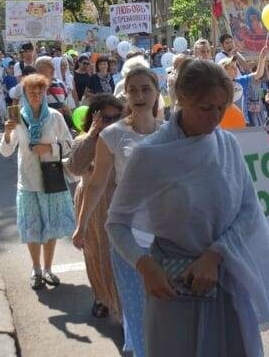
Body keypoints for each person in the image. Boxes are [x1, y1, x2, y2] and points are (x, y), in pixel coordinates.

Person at [106, 59, 269, 357]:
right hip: (172, 287)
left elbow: (249, 210)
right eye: (205, 107)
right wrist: (144, 266)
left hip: (224, 280)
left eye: (221, 107)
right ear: (181, 99)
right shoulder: (150, 155)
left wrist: (215, 255)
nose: (215, 117)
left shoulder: (228, 145)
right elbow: (117, 222)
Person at [73, 67, 162, 357]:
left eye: (145, 89)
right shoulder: (112, 135)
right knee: (135, 312)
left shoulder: (171, 132)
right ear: (126, 94)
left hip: (166, 236)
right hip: (127, 237)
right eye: (133, 89)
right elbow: (96, 184)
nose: (139, 95)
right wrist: (82, 225)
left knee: (165, 310)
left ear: (156, 92)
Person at [0, 74, 76, 289]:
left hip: (51, 178)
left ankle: (48, 269)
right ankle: (36, 269)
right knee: (32, 227)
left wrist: (49, 148)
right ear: (24, 94)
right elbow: (6, 151)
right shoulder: (18, 118)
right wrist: (7, 134)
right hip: (27, 181)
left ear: (44, 93)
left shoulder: (54, 117)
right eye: (31, 92)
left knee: (50, 226)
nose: (36, 96)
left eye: (40, 92)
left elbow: (69, 144)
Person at [65, 94, 125, 320]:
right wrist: (92, 135)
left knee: (115, 256)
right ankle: (101, 297)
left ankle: (120, 304)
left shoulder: (125, 137)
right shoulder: (84, 140)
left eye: (116, 117)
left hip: (117, 201)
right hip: (91, 204)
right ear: (95, 117)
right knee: (94, 254)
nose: (111, 123)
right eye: (106, 118)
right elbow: (74, 168)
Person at [221, 47, 269, 127]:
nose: (235, 69)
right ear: (223, 70)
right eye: (232, 67)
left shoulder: (241, 82)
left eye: (236, 67)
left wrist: (262, 59)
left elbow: (258, 74)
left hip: (243, 124)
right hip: (226, 126)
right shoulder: (216, 89)